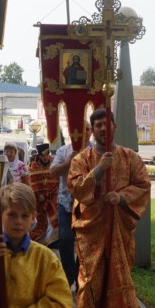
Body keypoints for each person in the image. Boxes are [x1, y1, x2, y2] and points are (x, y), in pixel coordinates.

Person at [68, 108, 151, 308]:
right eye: (98, 125)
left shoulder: (130, 157)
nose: (103, 129)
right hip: (91, 232)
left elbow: (143, 184)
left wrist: (121, 196)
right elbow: (76, 186)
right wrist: (98, 171)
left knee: (112, 282)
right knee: (91, 283)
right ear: (92, 130)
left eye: (107, 124)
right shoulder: (83, 159)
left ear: (115, 126)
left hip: (118, 231)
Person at [49, 124, 92, 289]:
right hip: (66, 202)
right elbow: (53, 172)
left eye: (87, 129)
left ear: (91, 132)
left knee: (84, 242)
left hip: (88, 204)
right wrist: (68, 162)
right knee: (65, 240)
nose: (84, 132)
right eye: (81, 128)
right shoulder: (64, 151)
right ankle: (68, 276)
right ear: (72, 132)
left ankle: (77, 273)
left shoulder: (96, 151)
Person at [28, 143, 58, 245]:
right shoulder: (34, 165)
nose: (45, 158)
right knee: (41, 219)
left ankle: (53, 240)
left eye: (47, 155)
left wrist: (53, 191)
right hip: (39, 198)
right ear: (39, 155)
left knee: (54, 217)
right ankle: (41, 240)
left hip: (52, 195)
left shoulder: (54, 163)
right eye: (43, 156)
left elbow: (57, 179)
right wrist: (38, 194)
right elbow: (32, 181)